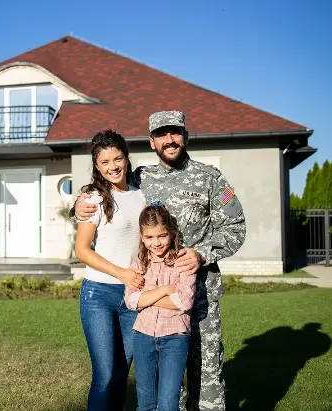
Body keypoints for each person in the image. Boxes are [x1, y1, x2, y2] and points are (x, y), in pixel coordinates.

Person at [72, 110, 246, 411]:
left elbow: (236, 226)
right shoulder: (142, 178)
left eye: (175, 132)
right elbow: (103, 189)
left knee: (206, 371)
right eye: (162, 134)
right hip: (155, 292)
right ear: (152, 142)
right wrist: (76, 206)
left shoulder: (211, 177)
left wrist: (202, 253)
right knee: (162, 374)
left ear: (186, 136)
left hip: (200, 294)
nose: (169, 139)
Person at [74, 129, 146, 411]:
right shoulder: (92, 198)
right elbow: (82, 250)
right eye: (105, 162)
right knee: (104, 376)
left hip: (132, 296)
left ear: (127, 159)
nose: (113, 166)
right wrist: (121, 273)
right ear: (97, 166)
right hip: (98, 295)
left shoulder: (142, 195)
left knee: (120, 375)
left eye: (117, 159)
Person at [124, 203, 196, 411]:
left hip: (175, 337)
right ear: (141, 236)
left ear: (171, 233)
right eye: (149, 237)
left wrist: (145, 297)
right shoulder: (139, 261)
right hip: (143, 336)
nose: (156, 243)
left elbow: (184, 302)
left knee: (167, 403)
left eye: (162, 236)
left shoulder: (183, 260)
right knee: (145, 403)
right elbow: (131, 301)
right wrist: (166, 290)